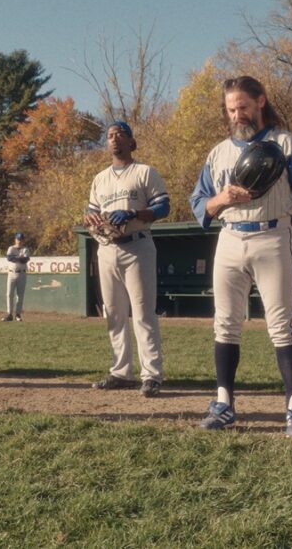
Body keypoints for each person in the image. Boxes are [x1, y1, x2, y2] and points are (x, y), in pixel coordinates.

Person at [189, 76, 292, 436]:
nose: (238, 114)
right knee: (225, 323)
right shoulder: (218, 152)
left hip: (271, 236)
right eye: (232, 109)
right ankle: (223, 403)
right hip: (230, 237)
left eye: (244, 106)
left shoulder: (286, 144)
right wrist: (222, 200)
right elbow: (199, 204)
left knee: (280, 325)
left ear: (261, 102)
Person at [85, 121, 170, 398]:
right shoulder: (100, 178)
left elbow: (163, 206)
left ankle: (152, 375)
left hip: (138, 247)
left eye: (120, 134)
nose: (114, 139)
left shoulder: (144, 172)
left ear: (131, 141)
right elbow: (91, 213)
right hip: (107, 248)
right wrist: (92, 220)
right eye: (109, 135)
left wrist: (133, 213)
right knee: (114, 314)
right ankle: (121, 372)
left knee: (143, 313)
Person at [2, 232, 30, 321]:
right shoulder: (11, 248)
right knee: (9, 294)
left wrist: (16, 258)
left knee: (20, 295)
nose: (19, 241)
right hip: (11, 273)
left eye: (21, 239)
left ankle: (18, 314)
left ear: (23, 240)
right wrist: (19, 257)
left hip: (22, 273)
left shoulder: (25, 249)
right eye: (18, 239)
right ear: (15, 239)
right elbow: (9, 258)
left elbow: (25, 260)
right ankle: (9, 314)